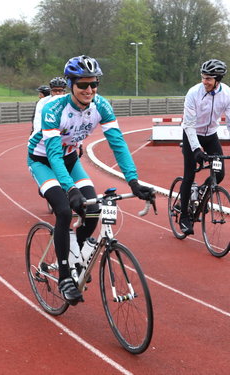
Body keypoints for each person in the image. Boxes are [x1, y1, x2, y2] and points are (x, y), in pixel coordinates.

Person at [27, 55, 153, 304]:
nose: (89, 90)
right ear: (71, 84)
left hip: (71, 159)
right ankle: (64, 276)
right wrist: (70, 188)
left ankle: (77, 253)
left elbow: (118, 143)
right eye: (83, 85)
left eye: (94, 84)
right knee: (64, 211)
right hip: (43, 161)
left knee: (93, 210)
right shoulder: (54, 109)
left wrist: (134, 181)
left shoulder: (101, 106)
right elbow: (53, 153)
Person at [178, 59, 230, 235]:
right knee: (189, 173)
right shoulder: (193, 93)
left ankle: (201, 191)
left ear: (218, 79)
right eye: (203, 77)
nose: (204, 81)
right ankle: (184, 217)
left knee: (220, 173)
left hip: (211, 136)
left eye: (208, 78)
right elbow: (189, 125)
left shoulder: (227, 94)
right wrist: (196, 149)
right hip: (191, 134)